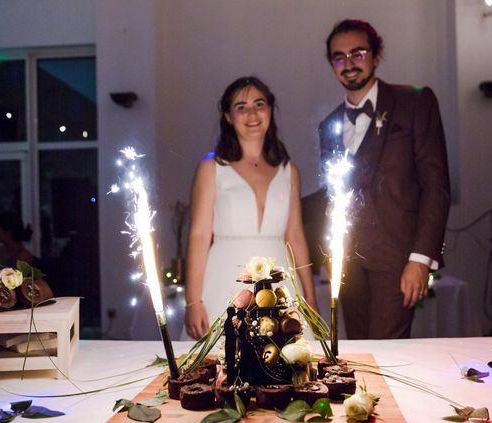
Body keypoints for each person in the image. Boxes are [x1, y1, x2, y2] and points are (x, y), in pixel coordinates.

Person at [319, 19, 450, 339]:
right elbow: (333, 195)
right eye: (339, 57)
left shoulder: (415, 102)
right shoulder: (329, 125)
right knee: (358, 354)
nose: (348, 64)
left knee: (388, 353)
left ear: (376, 55)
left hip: (398, 258)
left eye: (357, 53)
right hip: (348, 264)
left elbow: (436, 186)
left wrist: (420, 259)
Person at [184, 76, 317, 340]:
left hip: (280, 281)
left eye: (259, 104)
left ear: (270, 110)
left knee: (286, 361)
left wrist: (310, 300)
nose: (252, 114)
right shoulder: (212, 168)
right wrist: (193, 301)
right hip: (224, 277)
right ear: (228, 116)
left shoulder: (289, 171)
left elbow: (296, 237)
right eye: (241, 107)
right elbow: (199, 236)